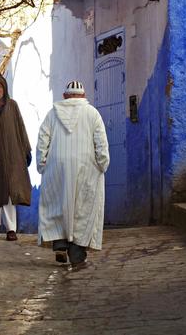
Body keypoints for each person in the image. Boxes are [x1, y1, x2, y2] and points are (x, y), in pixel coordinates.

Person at [36, 80, 110, 269]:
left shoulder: (52, 114)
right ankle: (77, 256)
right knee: (82, 209)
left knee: (57, 204)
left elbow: (43, 138)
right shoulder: (92, 113)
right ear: (83, 96)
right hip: (86, 167)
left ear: (65, 96)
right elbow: (100, 142)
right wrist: (103, 163)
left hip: (57, 166)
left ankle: (60, 244)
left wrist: (42, 163)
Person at [0, 73, 32, 241]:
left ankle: (11, 229)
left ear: (4, 89)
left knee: (8, 194)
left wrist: (26, 150)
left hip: (12, 156)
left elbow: (20, 127)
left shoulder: (12, 106)